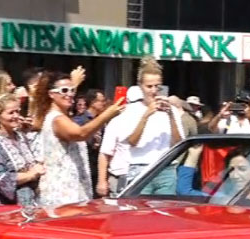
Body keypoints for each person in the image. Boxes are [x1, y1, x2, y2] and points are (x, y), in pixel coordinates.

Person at [34, 69, 123, 207]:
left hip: (74, 190)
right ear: (51, 94)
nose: (70, 94)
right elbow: (80, 134)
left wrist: (73, 84)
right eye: (64, 90)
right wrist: (106, 115)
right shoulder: (56, 119)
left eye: (72, 90)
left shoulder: (62, 116)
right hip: (61, 193)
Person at [119, 58, 184, 192]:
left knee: (165, 205)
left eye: (157, 86)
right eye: (149, 86)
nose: (154, 91)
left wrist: (171, 116)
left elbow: (178, 143)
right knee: (140, 205)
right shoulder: (131, 110)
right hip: (140, 167)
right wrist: (146, 115)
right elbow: (132, 142)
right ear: (140, 86)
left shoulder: (172, 110)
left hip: (166, 167)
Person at [0, 94, 45, 206]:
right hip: (6, 205)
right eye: (11, 113)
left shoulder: (21, 136)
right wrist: (30, 175)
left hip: (30, 200)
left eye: (17, 112)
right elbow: (0, 179)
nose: (16, 116)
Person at [175, 146, 250, 202]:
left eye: (242, 169)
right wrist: (194, 154)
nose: (234, 176)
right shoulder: (218, 199)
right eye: (231, 170)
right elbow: (184, 191)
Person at [98, 86, 143, 197]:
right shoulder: (118, 121)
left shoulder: (117, 121)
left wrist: (102, 181)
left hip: (124, 176)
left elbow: (105, 153)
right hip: (138, 177)